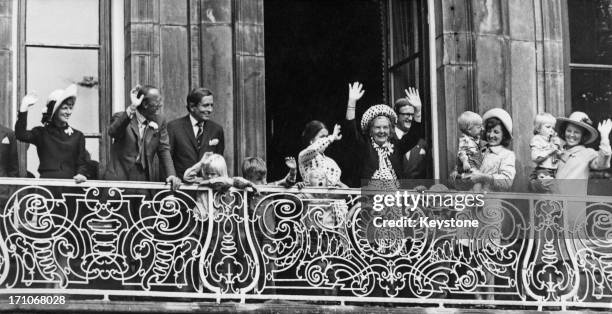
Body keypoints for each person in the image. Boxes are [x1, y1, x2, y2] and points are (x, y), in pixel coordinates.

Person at [342, 82, 422, 188]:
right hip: (369, 199)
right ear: (370, 130)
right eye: (377, 127)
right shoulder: (365, 146)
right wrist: (351, 103)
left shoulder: (396, 145)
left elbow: (414, 136)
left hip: (394, 199)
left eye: (385, 127)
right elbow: (350, 131)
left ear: (390, 130)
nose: (382, 131)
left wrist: (418, 110)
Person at [104, 85, 181, 190]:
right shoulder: (122, 117)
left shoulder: (159, 120)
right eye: (158, 101)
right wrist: (132, 107)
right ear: (145, 104)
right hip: (119, 179)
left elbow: (164, 149)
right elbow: (113, 132)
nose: (161, 104)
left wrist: (171, 174)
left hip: (144, 180)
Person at [15, 85, 89, 182]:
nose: (68, 112)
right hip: (47, 188)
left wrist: (81, 174)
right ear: (55, 110)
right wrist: (24, 108)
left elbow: (81, 163)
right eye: (65, 108)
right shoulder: (41, 133)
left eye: (70, 108)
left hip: (70, 188)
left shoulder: (78, 136)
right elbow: (21, 134)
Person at [167, 88, 224, 180]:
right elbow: (167, 160)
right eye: (205, 105)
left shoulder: (217, 129)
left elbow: (218, 163)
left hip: (206, 188)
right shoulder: (174, 127)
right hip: (181, 188)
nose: (210, 110)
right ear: (192, 107)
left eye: (211, 105)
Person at [298, 121, 348, 188]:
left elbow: (339, 185)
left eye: (326, 136)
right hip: (310, 197)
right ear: (311, 140)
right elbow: (315, 148)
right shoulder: (303, 156)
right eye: (322, 137)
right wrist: (332, 137)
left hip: (330, 198)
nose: (325, 139)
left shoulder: (331, 162)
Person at [392, 88, 427, 180]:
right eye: (406, 114)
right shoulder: (387, 139)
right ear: (396, 115)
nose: (410, 118)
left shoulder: (421, 143)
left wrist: (418, 112)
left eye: (412, 114)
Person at [530, 113, 563, 182]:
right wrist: (550, 151)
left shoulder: (552, 140)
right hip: (544, 170)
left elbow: (558, 157)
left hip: (555, 171)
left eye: (553, 128)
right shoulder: (537, 139)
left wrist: (559, 152)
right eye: (548, 127)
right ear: (538, 129)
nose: (551, 130)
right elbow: (535, 157)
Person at [456, 111, 484, 192]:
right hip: (470, 167)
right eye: (478, 127)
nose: (482, 128)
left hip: (476, 165)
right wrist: (465, 162)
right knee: (477, 180)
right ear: (469, 130)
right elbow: (461, 152)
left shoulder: (475, 138)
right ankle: (476, 197)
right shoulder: (465, 140)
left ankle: (474, 195)